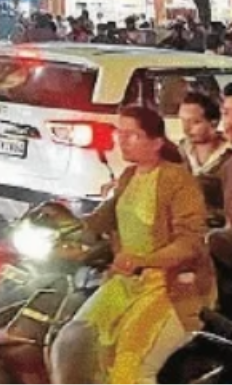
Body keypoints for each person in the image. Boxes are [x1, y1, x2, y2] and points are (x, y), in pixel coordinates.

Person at [50, 106, 214, 384]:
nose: (122, 141)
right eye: (120, 134)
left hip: (170, 288)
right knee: (73, 342)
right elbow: (101, 220)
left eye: (132, 135)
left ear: (156, 142)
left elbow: (190, 244)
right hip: (125, 283)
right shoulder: (128, 176)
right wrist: (65, 228)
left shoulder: (178, 181)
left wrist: (143, 260)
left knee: (131, 366)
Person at [179, 92, 232, 225]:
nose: (186, 129)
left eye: (195, 122)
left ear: (213, 123)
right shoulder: (179, 152)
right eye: (183, 121)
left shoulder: (228, 155)